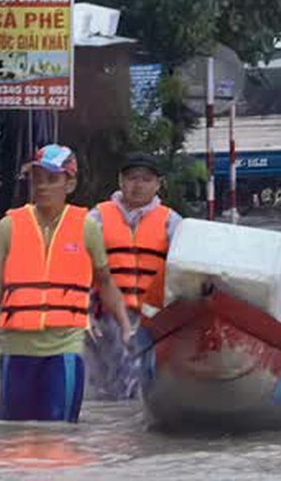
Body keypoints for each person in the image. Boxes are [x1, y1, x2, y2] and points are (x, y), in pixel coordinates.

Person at [0, 144, 133, 422]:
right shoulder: (9, 227)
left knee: (59, 439)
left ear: (69, 184)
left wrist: (126, 326)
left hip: (64, 351)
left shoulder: (86, 228)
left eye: (52, 179)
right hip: (16, 352)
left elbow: (105, 284)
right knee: (13, 442)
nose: (42, 187)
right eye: (37, 179)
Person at [83, 153, 183, 399]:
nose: (138, 184)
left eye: (146, 179)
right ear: (120, 181)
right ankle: (110, 428)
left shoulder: (172, 222)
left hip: (152, 317)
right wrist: (83, 312)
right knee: (105, 385)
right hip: (105, 316)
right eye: (131, 178)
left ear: (158, 184)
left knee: (143, 383)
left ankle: (132, 427)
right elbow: (78, 265)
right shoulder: (97, 218)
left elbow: (185, 271)